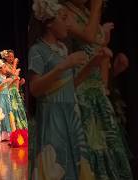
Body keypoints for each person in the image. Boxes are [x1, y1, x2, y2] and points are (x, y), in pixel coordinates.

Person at [63, 0, 133, 178]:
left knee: (107, 143)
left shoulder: (85, 13)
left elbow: (97, 47)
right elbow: (89, 37)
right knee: (89, 144)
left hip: (96, 90)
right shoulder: (64, 12)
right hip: (80, 89)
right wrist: (96, 8)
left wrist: (113, 69)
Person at [28, 0, 95, 178]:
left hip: (70, 113)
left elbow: (70, 85)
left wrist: (93, 64)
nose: (68, 24)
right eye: (64, 18)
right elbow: (34, 88)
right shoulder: (37, 50)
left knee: (73, 163)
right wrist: (64, 65)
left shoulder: (62, 49)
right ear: (49, 23)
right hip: (52, 115)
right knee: (55, 164)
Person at [0, 59, 18, 141]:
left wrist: (11, 81)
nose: (6, 69)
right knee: (0, 114)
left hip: (7, 97)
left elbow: (7, 86)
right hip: (1, 97)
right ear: (0, 68)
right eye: (5, 67)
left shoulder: (4, 76)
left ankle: (7, 134)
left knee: (8, 114)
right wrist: (4, 82)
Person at [0, 50, 28, 129]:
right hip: (10, 91)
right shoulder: (5, 66)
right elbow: (12, 75)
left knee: (18, 108)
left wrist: (20, 82)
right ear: (6, 57)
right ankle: (13, 128)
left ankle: (20, 127)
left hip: (16, 90)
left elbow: (15, 80)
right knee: (13, 109)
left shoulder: (12, 66)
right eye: (9, 56)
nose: (11, 58)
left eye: (12, 56)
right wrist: (15, 63)